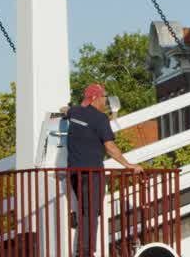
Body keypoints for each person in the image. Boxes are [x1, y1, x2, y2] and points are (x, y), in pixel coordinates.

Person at [66, 83, 143, 257]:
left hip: (74, 173)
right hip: (92, 173)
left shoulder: (75, 112)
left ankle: (82, 250)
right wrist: (128, 165)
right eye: (103, 98)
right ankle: (85, 253)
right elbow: (110, 147)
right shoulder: (100, 119)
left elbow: (66, 110)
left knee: (85, 210)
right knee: (92, 212)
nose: (104, 101)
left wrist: (66, 110)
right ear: (95, 98)